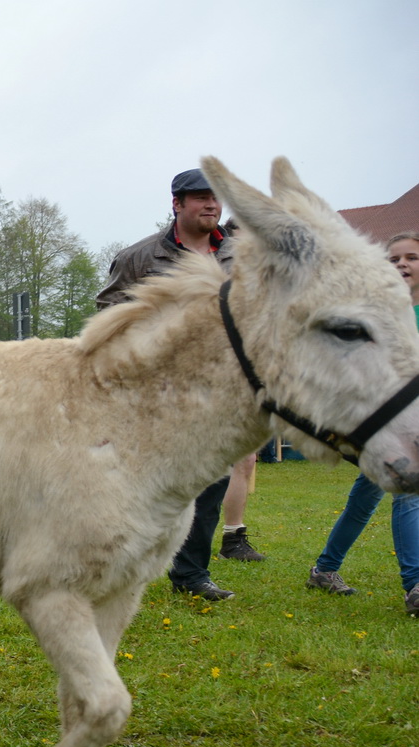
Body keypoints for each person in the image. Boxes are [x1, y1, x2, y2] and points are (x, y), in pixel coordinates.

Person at [98, 168, 241, 600]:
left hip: (218, 386)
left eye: (216, 197)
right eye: (200, 197)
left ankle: (192, 575)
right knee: (136, 480)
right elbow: (108, 315)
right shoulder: (139, 257)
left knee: (212, 480)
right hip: (154, 389)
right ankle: (117, 559)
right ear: (177, 204)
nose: (211, 204)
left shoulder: (240, 254)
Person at [306, 231, 419, 615]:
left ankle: (324, 569)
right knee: (407, 491)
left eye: (412, 257)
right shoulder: (376, 314)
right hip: (384, 427)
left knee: (364, 499)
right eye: (394, 259)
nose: (402, 264)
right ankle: (415, 585)